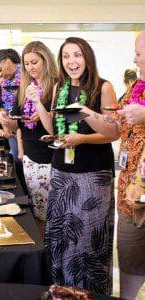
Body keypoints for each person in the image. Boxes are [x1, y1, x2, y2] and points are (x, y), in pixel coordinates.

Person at [33, 37, 117, 294]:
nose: (71, 62)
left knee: (88, 242)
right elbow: (53, 127)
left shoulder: (103, 87)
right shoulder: (60, 87)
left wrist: (82, 137)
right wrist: (38, 102)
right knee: (61, 238)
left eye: (77, 55)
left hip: (93, 176)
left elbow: (113, 132)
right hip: (62, 172)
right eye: (66, 56)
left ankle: (89, 294)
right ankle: (61, 293)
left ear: (87, 57)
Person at [79, 32, 145, 300]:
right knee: (129, 253)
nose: (134, 58)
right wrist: (85, 112)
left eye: (139, 53)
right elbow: (116, 129)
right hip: (131, 190)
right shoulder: (135, 87)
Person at [0, 41, 58, 238]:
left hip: (53, 158)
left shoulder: (57, 86)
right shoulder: (24, 88)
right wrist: (5, 121)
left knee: (55, 214)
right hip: (31, 159)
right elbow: (16, 126)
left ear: (46, 61)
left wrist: (38, 105)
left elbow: (55, 128)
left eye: (34, 62)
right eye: (26, 63)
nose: (30, 68)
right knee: (38, 213)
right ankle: (42, 258)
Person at [0, 48, 27, 194]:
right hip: (12, 128)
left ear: (8, 62)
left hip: (29, 126)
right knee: (16, 160)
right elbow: (3, 108)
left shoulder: (26, 75)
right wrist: (5, 128)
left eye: (0, 69)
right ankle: (24, 193)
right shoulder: (4, 82)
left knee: (26, 161)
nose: (0, 74)